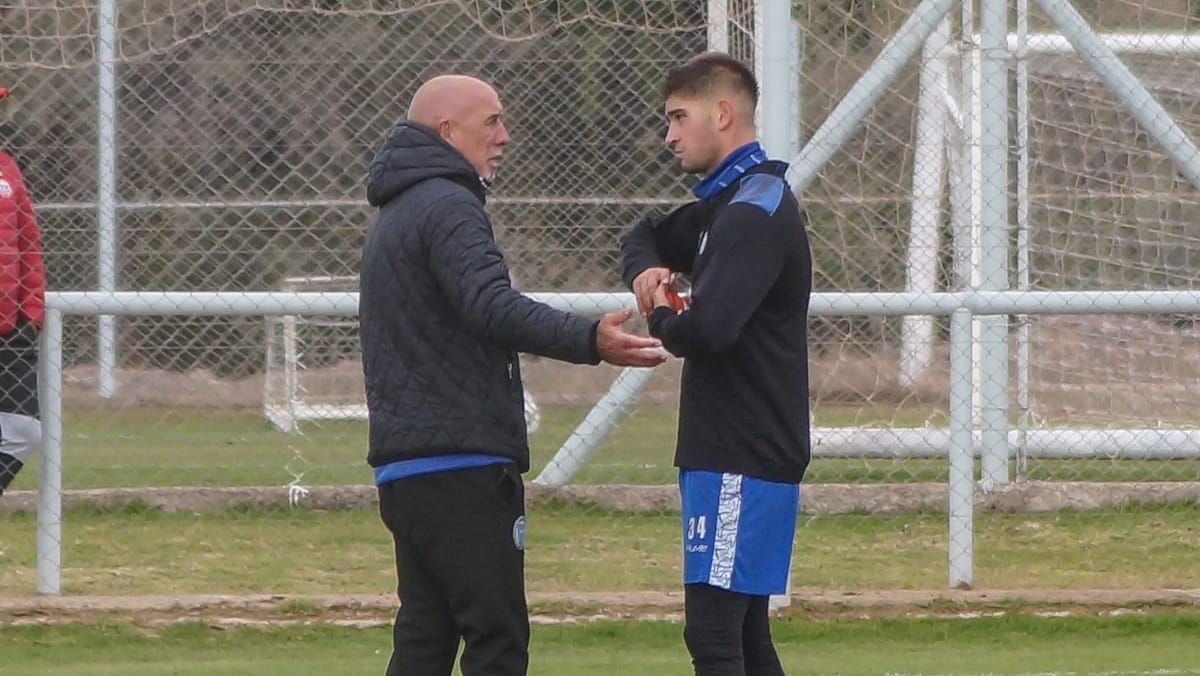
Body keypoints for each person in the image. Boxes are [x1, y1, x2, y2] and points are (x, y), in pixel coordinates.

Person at [359, 74, 666, 676]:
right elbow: (491, 305)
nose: (504, 135)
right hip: (461, 466)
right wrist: (589, 339)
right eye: (491, 122)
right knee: (496, 640)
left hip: (409, 467)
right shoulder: (447, 205)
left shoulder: (396, 211)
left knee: (424, 638)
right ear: (447, 132)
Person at [620, 53, 812, 676]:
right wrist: (647, 273)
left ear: (722, 114)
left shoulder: (754, 211)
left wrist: (658, 312)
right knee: (746, 640)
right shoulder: (723, 206)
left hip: (741, 454)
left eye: (678, 117)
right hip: (728, 451)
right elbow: (641, 236)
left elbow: (707, 331)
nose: (669, 135)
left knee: (713, 637)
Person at [0, 85, 46, 498]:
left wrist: (31, 310)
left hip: (9, 328)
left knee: (24, 431)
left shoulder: (8, 169)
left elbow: (29, 241)